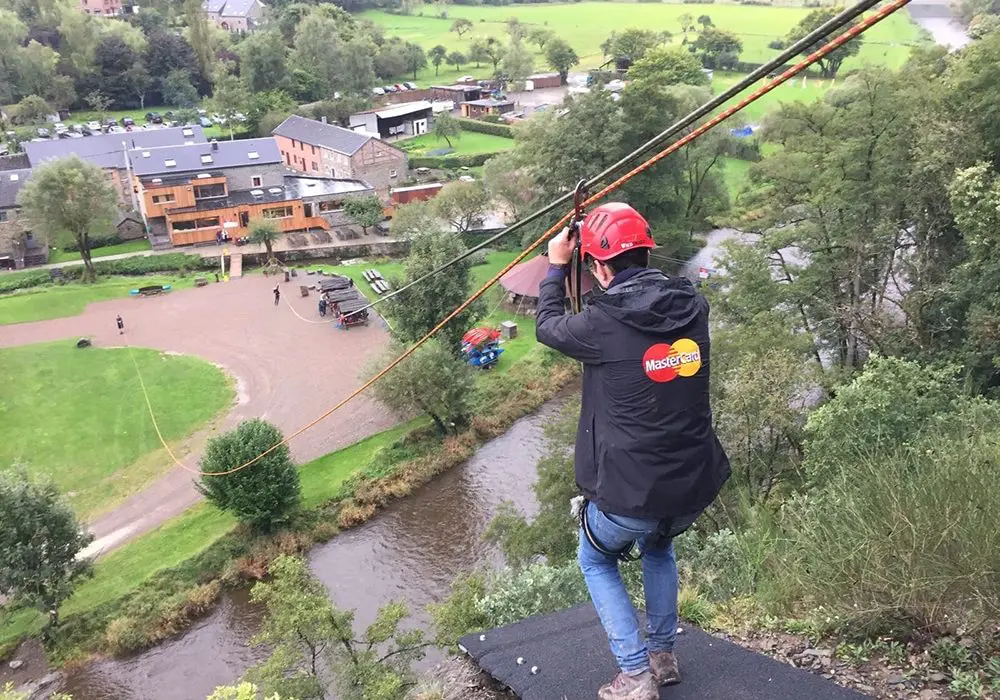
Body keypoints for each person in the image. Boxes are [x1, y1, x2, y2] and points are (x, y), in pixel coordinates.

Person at [536, 202, 730, 700]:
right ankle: (663, 657)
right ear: (647, 253)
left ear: (599, 268)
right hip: (692, 486)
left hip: (633, 493)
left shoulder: (601, 324)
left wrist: (557, 266)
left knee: (595, 560)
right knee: (659, 545)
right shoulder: (694, 307)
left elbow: (548, 326)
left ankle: (636, 674)